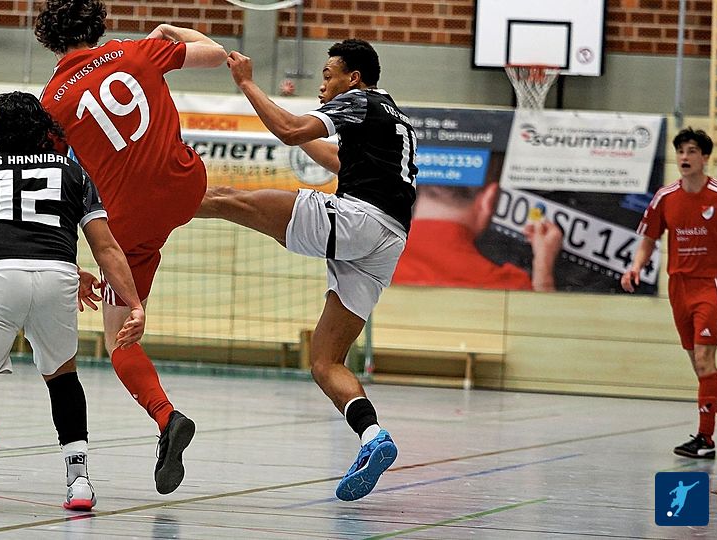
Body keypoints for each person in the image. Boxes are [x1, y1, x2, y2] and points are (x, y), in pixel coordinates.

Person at [196, 39, 410, 501]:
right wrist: (301, 139)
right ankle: (373, 436)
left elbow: (291, 130)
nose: (322, 85)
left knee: (228, 199)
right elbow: (337, 160)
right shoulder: (394, 116)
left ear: (354, 78)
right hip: (388, 241)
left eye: (328, 75)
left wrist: (247, 84)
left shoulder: (358, 100)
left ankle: (133, 207)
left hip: (359, 221)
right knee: (325, 361)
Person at [0, 91, 146, 510]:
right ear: (43, 127)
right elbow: (107, 246)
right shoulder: (73, 171)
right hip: (57, 276)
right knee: (63, 377)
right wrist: (134, 303)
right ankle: (79, 482)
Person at [35, 0, 227, 494]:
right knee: (218, 200)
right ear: (96, 24)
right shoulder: (137, 51)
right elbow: (217, 53)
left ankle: (167, 417)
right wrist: (169, 29)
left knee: (119, 341)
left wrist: (70, 260)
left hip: (127, 225)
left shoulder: (51, 101)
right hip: (186, 184)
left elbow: (54, 184)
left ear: (50, 39)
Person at [622, 127, 717, 459]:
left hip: (712, 284)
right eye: (680, 151)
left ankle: (705, 439)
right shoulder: (666, 197)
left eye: (692, 151)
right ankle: (706, 435)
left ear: (704, 157)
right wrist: (636, 267)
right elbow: (649, 238)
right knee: (700, 366)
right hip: (678, 287)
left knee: (705, 360)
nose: (684, 157)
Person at [392, 168, 563, 291]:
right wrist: (543, 272)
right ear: (489, 198)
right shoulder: (507, 287)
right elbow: (539, 323)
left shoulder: (377, 261)